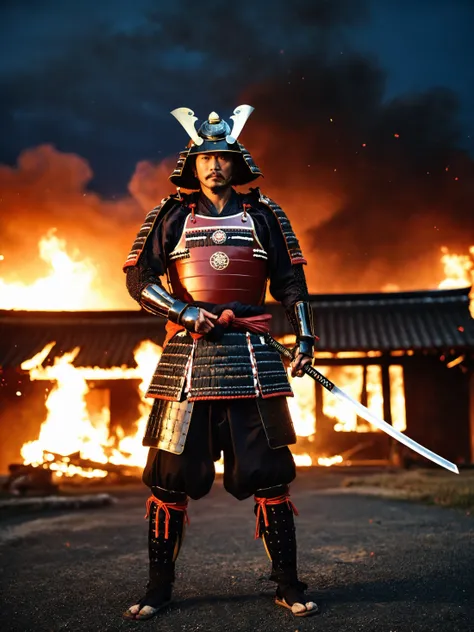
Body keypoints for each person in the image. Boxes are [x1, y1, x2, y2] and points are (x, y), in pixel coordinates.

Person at [122, 105, 318, 620]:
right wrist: (185, 312)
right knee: (167, 478)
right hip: (187, 358)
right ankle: (158, 589)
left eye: (223, 158)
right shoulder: (170, 215)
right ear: (194, 163)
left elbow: (291, 282)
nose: (214, 166)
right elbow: (139, 280)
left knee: (272, 477)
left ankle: (289, 584)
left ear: (236, 164)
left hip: (254, 355)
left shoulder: (264, 215)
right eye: (206, 156)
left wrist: (305, 335)